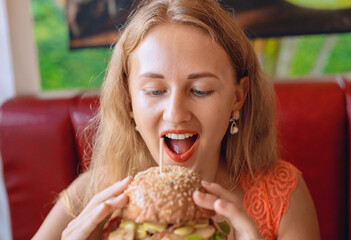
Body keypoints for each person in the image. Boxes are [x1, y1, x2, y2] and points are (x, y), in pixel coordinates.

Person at [33, 0, 320, 239]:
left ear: (237, 97)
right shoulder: (91, 194)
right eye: (155, 90)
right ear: (129, 100)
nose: (175, 113)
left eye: (200, 90)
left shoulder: (283, 195)